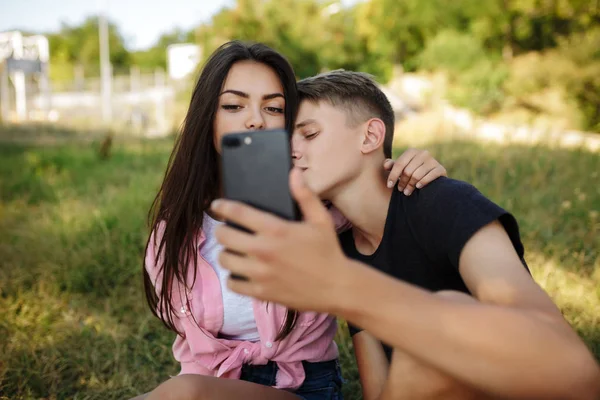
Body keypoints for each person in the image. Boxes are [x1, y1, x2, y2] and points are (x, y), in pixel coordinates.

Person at [211, 70, 600, 400]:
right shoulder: (344, 248)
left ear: (370, 137)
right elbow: (380, 389)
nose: (291, 152)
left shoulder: (442, 202)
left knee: (432, 341)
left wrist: (346, 287)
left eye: (309, 135)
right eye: (288, 139)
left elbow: (573, 369)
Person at [138, 42, 448, 400]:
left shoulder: (321, 207)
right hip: (213, 383)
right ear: (207, 117)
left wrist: (413, 167)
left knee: (186, 392)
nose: (254, 119)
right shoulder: (173, 232)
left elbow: (381, 204)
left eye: (273, 107)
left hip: (301, 388)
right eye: (234, 106)